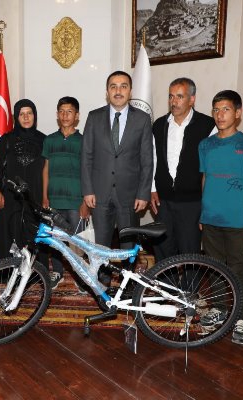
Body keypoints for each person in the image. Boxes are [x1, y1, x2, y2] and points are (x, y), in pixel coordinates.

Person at [198, 90, 243, 345]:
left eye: (225, 109)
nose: (220, 115)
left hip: (236, 219)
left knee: (237, 268)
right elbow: (205, 179)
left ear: (238, 113)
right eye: (216, 110)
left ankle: (242, 318)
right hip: (210, 216)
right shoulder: (206, 145)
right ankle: (220, 308)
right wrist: (202, 212)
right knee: (214, 265)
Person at [81, 71, 154, 284]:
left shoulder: (142, 119)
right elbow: (86, 156)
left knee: (128, 246)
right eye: (113, 86)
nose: (118, 91)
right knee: (101, 245)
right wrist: (87, 190)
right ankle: (102, 283)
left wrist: (143, 193)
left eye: (123, 86)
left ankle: (127, 283)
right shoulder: (94, 117)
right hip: (99, 193)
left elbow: (147, 160)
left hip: (130, 195)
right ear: (107, 92)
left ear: (130, 91)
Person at [150, 78, 216, 261]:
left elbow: (211, 169)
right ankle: (166, 281)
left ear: (192, 99)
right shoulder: (159, 125)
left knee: (189, 252)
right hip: (163, 201)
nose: (174, 101)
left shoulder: (208, 126)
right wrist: (152, 188)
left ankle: (189, 282)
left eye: (180, 96)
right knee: (163, 250)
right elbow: (152, 159)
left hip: (192, 202)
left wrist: (208, 203)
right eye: (171, 96)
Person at [41, 96, 90, 289]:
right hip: (54, 199)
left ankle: (80, 275)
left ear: (77, 116)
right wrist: (44, 196)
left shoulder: (84, 141)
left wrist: (85, 202)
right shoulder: (49, 140)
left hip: (76, 201)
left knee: (77, 241)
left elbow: (88, 172)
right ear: (57, 115)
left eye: (69, 112)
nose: (65, 115)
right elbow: (45, 169)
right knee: (56, 241)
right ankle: (58, 272)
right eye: (61, 111)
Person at [0, 99, 46, 260]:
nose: (26, 117)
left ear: (35, 116)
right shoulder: (6, 139)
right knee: (9, 234)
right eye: (22, 114)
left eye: (29, 113)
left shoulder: (44, 140)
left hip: (35, 197)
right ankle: (8, 270)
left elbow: (47, 171)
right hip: (10, 196)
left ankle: (36, 270)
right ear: (16, 117)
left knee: (34, 235)